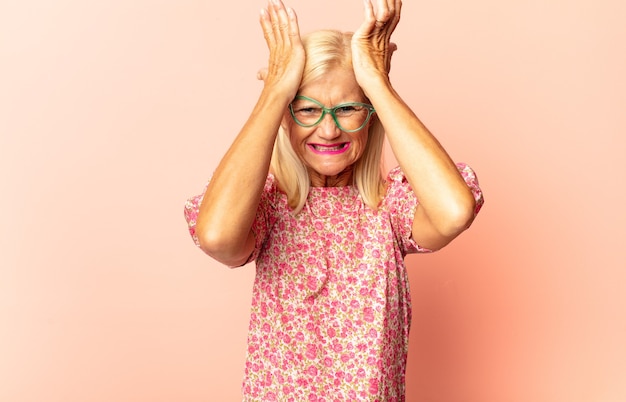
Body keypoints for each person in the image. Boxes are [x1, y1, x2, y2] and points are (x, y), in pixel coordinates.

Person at [184, 0, 484, 399]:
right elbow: (218, 235)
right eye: (307, 109)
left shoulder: (390, 208)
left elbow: (454, 210)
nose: (328, 130)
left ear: (371, 114)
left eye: (348, 108)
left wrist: (378, 84)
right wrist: (275, 92)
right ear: (285, 117)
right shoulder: (270, 208)